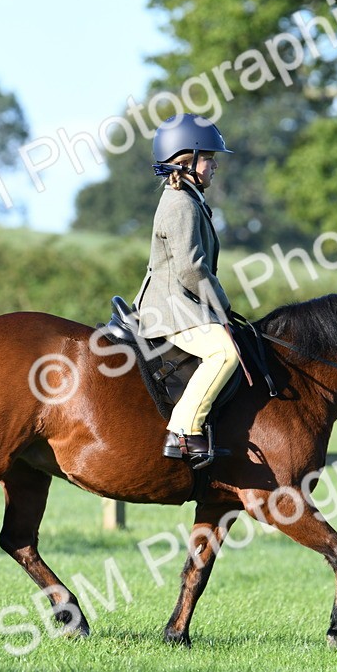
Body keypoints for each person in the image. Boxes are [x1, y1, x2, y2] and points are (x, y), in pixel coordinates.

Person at [133, 113, 241, 462]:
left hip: (180, 304)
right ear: (187, 160)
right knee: (224, 352)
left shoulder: (188, 199)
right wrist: (222, 306)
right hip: (171, 309)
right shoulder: (181, 204)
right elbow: (191, 269)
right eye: (209, 158)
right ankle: (183, 432)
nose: (213, 166)